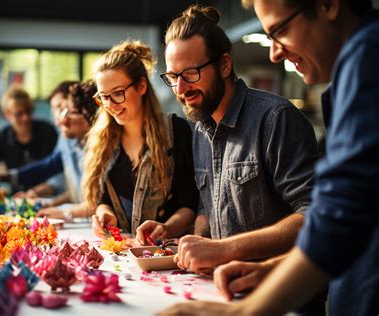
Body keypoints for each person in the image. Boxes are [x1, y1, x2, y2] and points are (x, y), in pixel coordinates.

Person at [159, 0, 379, 315]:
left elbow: (329, 217)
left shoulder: (365, 61)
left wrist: (246, 306)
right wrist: (263, 266)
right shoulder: (200, 129)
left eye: (279, 30)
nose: (274, 53)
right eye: (173, 76)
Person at [146, 4, 318, 275]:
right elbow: (208, 205)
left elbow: (314, 214)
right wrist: (200, 239)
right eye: (173, 76)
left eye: (191, 73)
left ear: (224, 64)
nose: (181, 88)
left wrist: (225, 249)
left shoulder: (275, 119)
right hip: (222, 285)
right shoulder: (201, 129)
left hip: (279, 295)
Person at [84, 40, 197, 240]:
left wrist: (167, 228)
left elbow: (189, 204)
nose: (110, 105)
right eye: (103, 97)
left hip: (164, 254)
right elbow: (104, 200)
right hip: (123, 255)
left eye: (118, 93)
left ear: (141, 86)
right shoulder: (104, 140)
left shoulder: (175, 132)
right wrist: (104, 214)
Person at [1, 81, 98, 221]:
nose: (61, 119)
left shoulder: (99, 147)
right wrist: (48, 204)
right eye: (57, 110)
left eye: (65, 109)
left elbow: (97, 201)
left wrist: (65, 212)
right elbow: (77, 191)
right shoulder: (71, 140)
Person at [14, 81, 77, 205]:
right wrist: (34, 193)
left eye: (62, 107)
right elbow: (55, 176)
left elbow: (82, 192)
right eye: (55, 109)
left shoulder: (86, 140)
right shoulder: (64, 137)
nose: (59, 116)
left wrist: (50, 203)